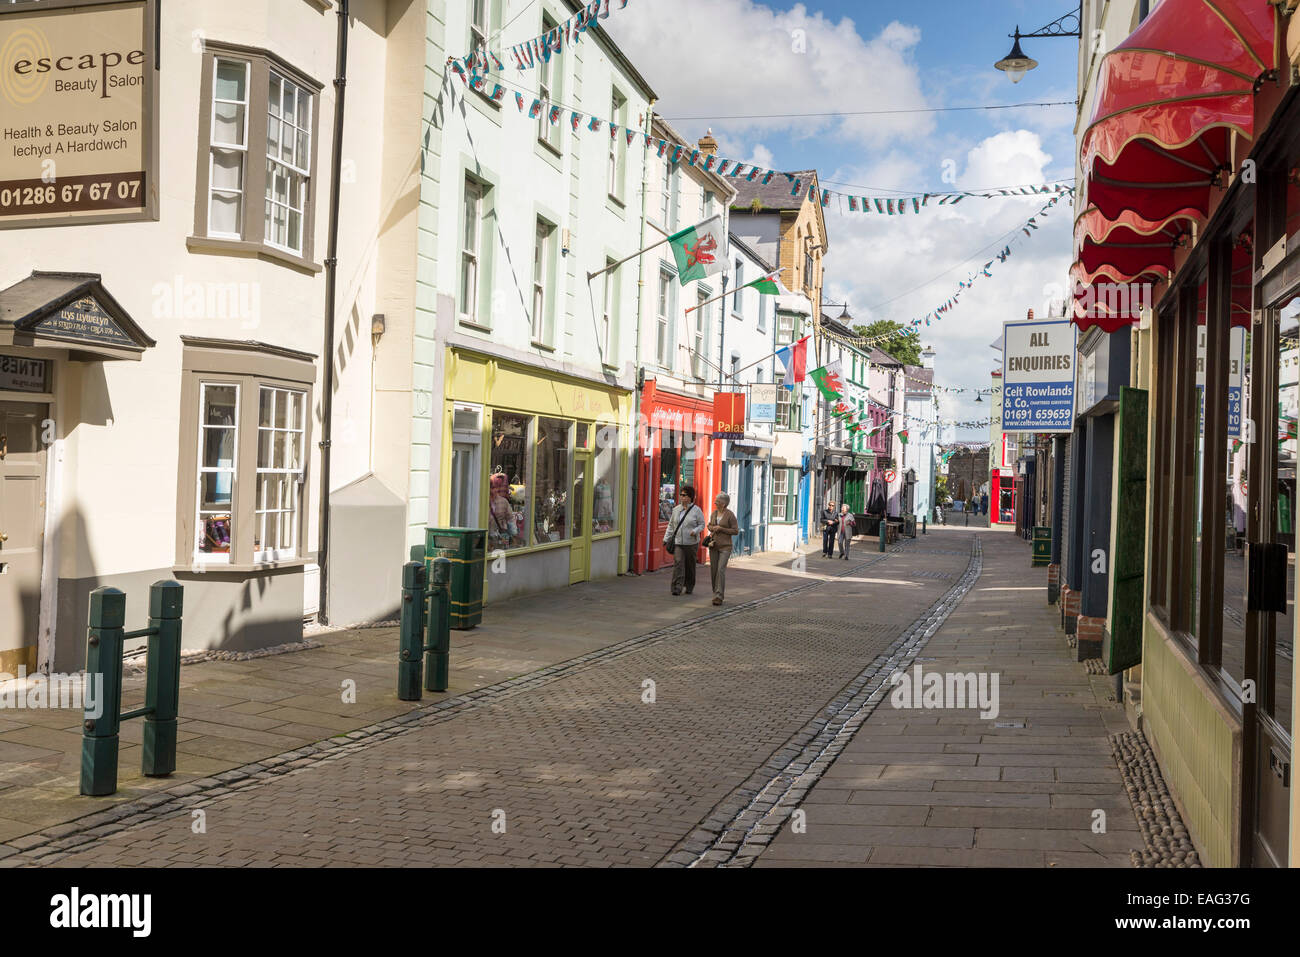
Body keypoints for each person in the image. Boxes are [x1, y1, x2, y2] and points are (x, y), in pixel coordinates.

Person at [664, 484, 705, 596]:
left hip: (691, 543)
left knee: (690, 565)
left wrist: (695, 531)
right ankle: (677, 587)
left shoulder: (696, 510)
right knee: (678, 564)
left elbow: (702, 524)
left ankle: (689, 586)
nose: (682, 497)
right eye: (681, 495)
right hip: (678, 542)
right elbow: (671, 525)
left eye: (684, 495)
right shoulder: (676, 509)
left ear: (690, 497)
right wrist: (666, 538)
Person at [706, 492, 740, 605]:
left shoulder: (730, 515)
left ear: (724, 503)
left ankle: (719, 596)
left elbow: (735, 531)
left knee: (721, 570)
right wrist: (712, 527)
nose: (715, 502)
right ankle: (715, 592)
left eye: (717, 501)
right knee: (714, 570)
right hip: (714, 546)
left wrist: (721, 529)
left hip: (725, 546)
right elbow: (709, 525)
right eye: (715, 500)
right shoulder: (714, 513)